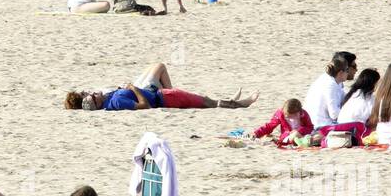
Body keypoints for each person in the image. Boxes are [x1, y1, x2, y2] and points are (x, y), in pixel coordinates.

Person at [65, 62, 258, 111]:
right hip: (162, 98)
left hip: (160, 95)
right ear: (95, 103)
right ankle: (240, 104)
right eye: (93, 96)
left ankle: (234, 101)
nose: (94, 93)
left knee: (203, 100)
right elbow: (144, 106)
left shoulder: (109, 100)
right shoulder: (115, 102)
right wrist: (132, 88)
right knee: (206, 102)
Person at [303, 52, 359, 129]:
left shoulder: (335, 81)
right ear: (342, 70)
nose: (356, 70)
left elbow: (344, 100)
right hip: (319, 126)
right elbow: (334, 114)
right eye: (354, 66)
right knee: (358, 126)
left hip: (324, 122)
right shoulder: (330, 84)